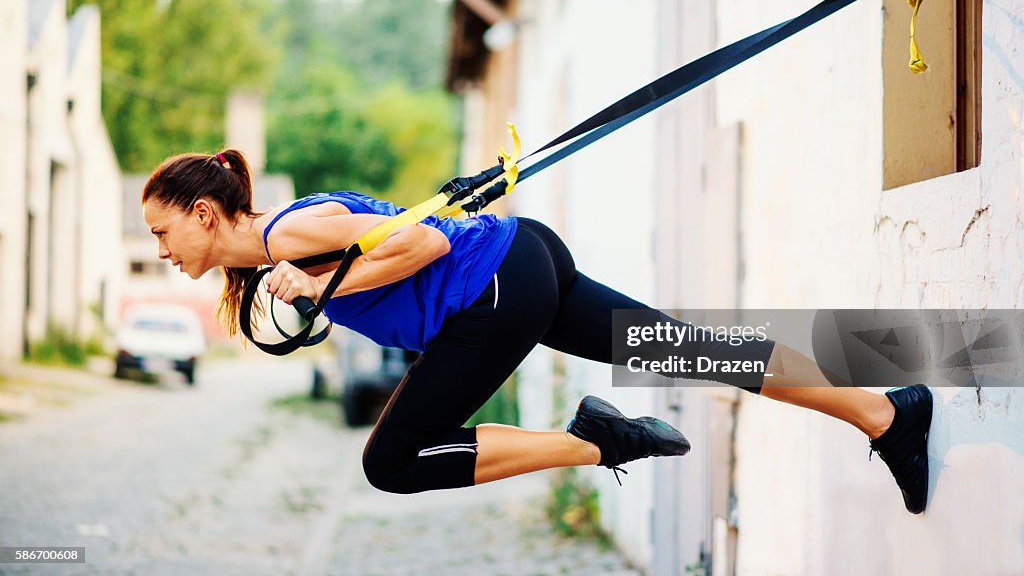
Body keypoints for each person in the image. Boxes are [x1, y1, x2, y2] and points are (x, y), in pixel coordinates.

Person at [141, 149, 933, 514]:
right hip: (523, 261)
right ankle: (884, 412)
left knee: (392, 460)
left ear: (203, 212)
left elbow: (427, 241)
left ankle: (598, 440)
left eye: (162, 232)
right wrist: (315, 292)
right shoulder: (275, 253)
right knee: (690, 348)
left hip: (492, 284)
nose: (163, 251)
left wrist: (317, 281)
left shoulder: (289, 231)